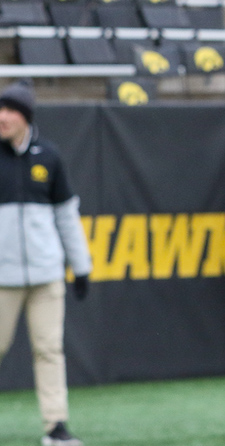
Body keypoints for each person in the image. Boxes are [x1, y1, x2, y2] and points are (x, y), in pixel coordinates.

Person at [0, 82, 92, 446]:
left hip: (46, 276)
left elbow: (67, 217)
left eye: (11, 110)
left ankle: (56, 427)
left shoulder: (49, 157)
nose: (2, 117)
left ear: (26, 117)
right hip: (2, 279)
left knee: (50, 350)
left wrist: (80, 266)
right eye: (0, 109)